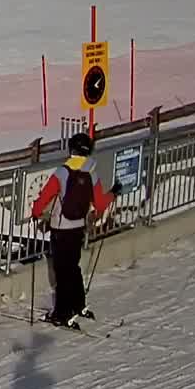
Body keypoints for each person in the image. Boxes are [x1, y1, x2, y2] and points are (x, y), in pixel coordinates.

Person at [30, 132, 120, 327]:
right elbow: (100, 203)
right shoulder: (91, 172)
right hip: (78, 227)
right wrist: (113, 193)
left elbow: (45, 197)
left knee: (62, 271)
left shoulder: (62, 172)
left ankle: (62, 314)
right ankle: (79, 305)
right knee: (73, 267)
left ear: (72, 149)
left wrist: (36, 212)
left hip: (61, 228)